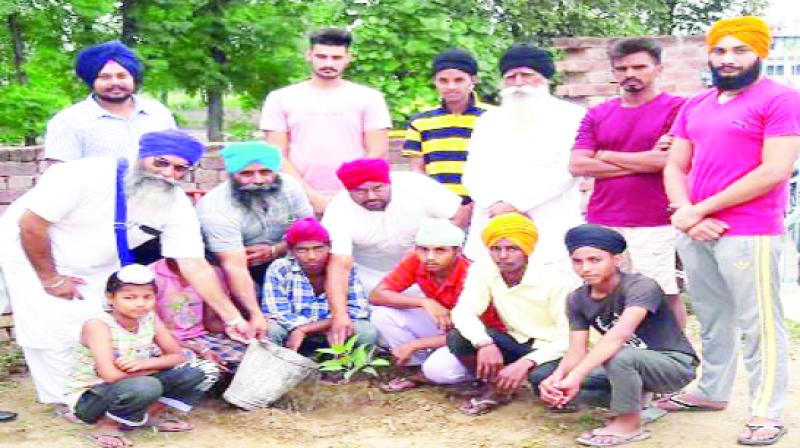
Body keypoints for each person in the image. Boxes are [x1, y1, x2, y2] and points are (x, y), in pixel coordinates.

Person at [0, 130, 254, 405]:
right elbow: (31, 225)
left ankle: (96, 394)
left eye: (180, 168)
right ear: (141, 156)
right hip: (32, 252)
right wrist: (51, 279)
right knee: (52, 324)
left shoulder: (175, 203)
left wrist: (233, 319)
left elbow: (194, 264)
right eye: (161, 162)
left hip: (96, 264)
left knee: (96, 321)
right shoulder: (85, 175)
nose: (168, 173)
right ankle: (65, 401)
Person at [662, 16, 800, 446]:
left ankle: (766, 412)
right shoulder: (697, 104)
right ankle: (711, 391)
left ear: (761, 52)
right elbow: (675, 165)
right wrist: (686, 213)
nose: (728, 59)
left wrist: (697, 210)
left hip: (750, 229)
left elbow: (775, 171)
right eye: (720, 50)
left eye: (740, 50)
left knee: (759, 322)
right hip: (696, 227)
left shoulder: (781, 100)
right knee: (713, 316)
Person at [539, 225, 698, 447]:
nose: (585, 268)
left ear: (617, 259)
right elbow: (576, 350)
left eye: (595, 260)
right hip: (624, 364)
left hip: (672, 365)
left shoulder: (641, 286)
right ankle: (640, 402)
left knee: (619, 355)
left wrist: (577, 375)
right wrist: (558, 377)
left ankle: (629, 423)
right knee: (543, 377)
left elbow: (619, 335)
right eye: (577, 261)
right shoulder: (576, 298)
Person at [569, 38, 687, 328]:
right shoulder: (598, 114)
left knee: (662, 293)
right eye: (621, 68)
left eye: (639, 66)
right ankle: (616, 358)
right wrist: (644, 160)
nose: (629, 73)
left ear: (658, 69)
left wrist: (607, 155)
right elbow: (578, 165)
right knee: (606, 293)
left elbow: (668, 162)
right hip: (604, 219)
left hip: (656, 219)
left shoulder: (678, 109)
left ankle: (675, 358)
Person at [462, 43, 584, 278]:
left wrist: (517, 205)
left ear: (545, 78)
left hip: (551, 222)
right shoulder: (488, 120)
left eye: (527, 75)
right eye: (511, 76)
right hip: (493, 219)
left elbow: (568, 170)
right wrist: (495, 205)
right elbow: (472, 172)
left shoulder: (571, 116)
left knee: (556, 293)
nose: (518, 82)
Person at [65, 264, 218, 448]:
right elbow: (109, 375)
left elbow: (178, 356)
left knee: (205, 369)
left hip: (134, 381)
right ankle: (106, 426)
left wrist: (144, 364)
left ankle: (149, 416)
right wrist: (152, 368)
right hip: (92, 397)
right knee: (148, 384)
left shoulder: (149, 318)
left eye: (147, 297)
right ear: (110, 298)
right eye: (129, 298)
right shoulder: (98, 325)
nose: (140, 303)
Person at [321, 158, 464, 345]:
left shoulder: (416, 185)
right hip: (372, 278)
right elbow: (340, 265)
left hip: (430, 269)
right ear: (348, 191)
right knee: (380, 321)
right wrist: (339, 315)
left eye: (378, 188)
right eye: (361, 191)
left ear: (389, 182)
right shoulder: (338, 210)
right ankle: (415, 354)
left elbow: (459, 215)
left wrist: (432, 245)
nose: (371, 196)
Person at [447, 213, 572, 415]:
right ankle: (495, 385)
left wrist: (527, 363)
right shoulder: (483, 268)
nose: (503, 256)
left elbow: (569, 338)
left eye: (512, 248)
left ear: (527, 250)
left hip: (553, 348)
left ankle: (520, 383)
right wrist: (484, 343)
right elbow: (464, 311)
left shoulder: (555, 282)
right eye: (496, 249)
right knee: (458, 337)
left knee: (540, 377)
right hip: (517, 340)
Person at [260, 28, 392, 214]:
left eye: (336, 58)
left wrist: (349, 192)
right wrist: (311, 196)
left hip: (357, 199)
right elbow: (277, 155)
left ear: (348, 58)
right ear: (309, 55)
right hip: (296, 200)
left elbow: (378, 151)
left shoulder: (370, 97)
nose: (328, 63)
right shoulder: (280, 98)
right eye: (321, 56)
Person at [369, 218, 506, 391]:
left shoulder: (471, 274)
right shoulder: (416, 261)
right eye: (423, 250)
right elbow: (377, 295)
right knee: (382, 315)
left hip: (477, 340)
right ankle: (416, 368)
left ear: (458, 251)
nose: (430, 257)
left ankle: (471, 375)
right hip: (447, 326)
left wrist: (414, 345)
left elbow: (473, 333)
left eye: (440, 250)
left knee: (438, 370)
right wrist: (424, 302)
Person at [196, 141, 313, 302]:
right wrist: (255, 314)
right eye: (247, 174)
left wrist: (276, 249)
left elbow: (308, 229)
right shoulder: (215, 207)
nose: (258, 180)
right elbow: (234, 266)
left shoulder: (290, 187)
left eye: (265, 172)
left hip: (282, 257)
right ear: (232, 175)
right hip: (232, 265)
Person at [44, 40, 176, 162]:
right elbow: (59, 176)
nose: (115, 82)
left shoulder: (158, 113)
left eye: (122, 76)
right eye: (105, 77)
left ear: (133, 78)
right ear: (91, 81)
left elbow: (176, 159)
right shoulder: (69, 121)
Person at [263, 217, 377, 353]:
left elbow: (358, 310)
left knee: (366, 332)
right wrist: (298, 329)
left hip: (333, 329)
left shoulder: (344, 266)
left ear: (329, 247)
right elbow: (276, 312)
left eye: (318, 249)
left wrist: (307, 328)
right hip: (292, 329)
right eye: (302, 250)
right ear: (291, 251)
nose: (311, 256)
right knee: (271, 330)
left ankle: (351, 369)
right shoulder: (280, 268)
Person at [403, 48, 491, 208]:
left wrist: (473, 206)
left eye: (459, 80)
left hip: (485, 205)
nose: (451, 86)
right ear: (434, 82)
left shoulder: (492, 117)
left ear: (473, 80)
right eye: (443, 81)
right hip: (438, 206)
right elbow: (418, 172)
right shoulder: (421, 122)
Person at [150, 258, 246, 371]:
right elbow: (151, 330)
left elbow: (210, 322)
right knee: (202, 369)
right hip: (166, 342)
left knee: (247, 358)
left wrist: (242, 330)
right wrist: (198, 349)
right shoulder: (150, 275)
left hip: (202, 337)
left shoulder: (211, 273)